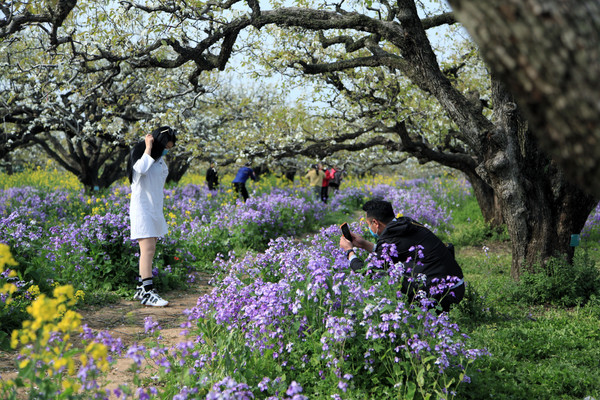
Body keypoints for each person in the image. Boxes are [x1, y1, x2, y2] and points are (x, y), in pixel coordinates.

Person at [339, 199, 465, 312]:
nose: (368, 228)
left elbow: (371, 273)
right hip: (456, 285)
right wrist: (365, 244)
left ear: (375, 223)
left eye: (368, 224)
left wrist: (349, 252)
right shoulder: (405, 224)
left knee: (388, 280)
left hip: (443, 296)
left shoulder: (390, 238)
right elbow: (397, 250)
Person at [127, 126, 177, 307]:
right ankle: (148, 292)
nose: (167, 150)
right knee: (147, 250)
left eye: (170, 148)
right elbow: (140, 170)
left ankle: (142, 287)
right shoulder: (142, 158)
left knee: (150, 250)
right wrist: (148, 147)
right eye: (166, 147)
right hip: (142, 209)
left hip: (154, 209)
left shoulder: (159, 161)